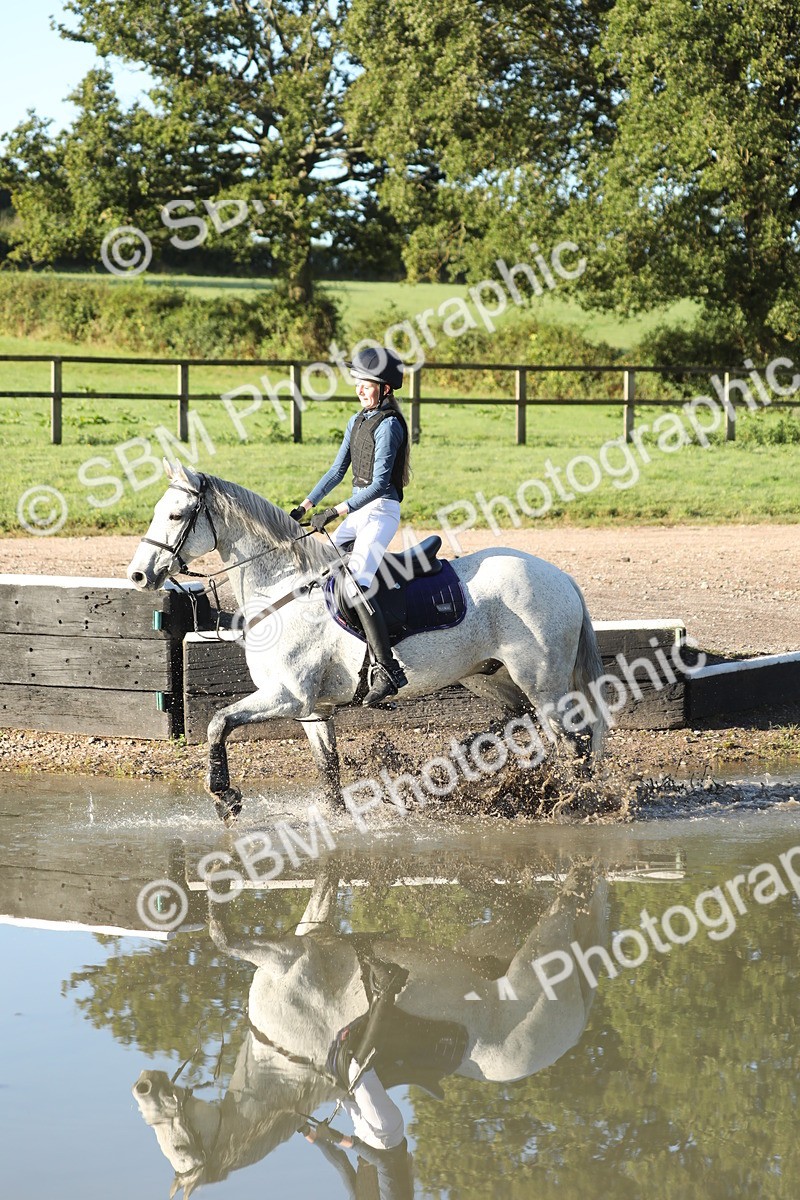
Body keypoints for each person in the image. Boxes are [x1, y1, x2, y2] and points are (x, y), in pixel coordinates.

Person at [289, 346, 411, 707]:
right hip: (358, 512)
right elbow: (336, 470)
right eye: (358, 383)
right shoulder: (357, 421)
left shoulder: (389, 425)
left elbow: (379, 485)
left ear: (384, 389)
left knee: (356, 584)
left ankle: (387, 669)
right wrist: (305, 505)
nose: (360, 389)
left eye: (367, 384)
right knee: (321, 566)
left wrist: (335, 511)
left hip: (381, 512)